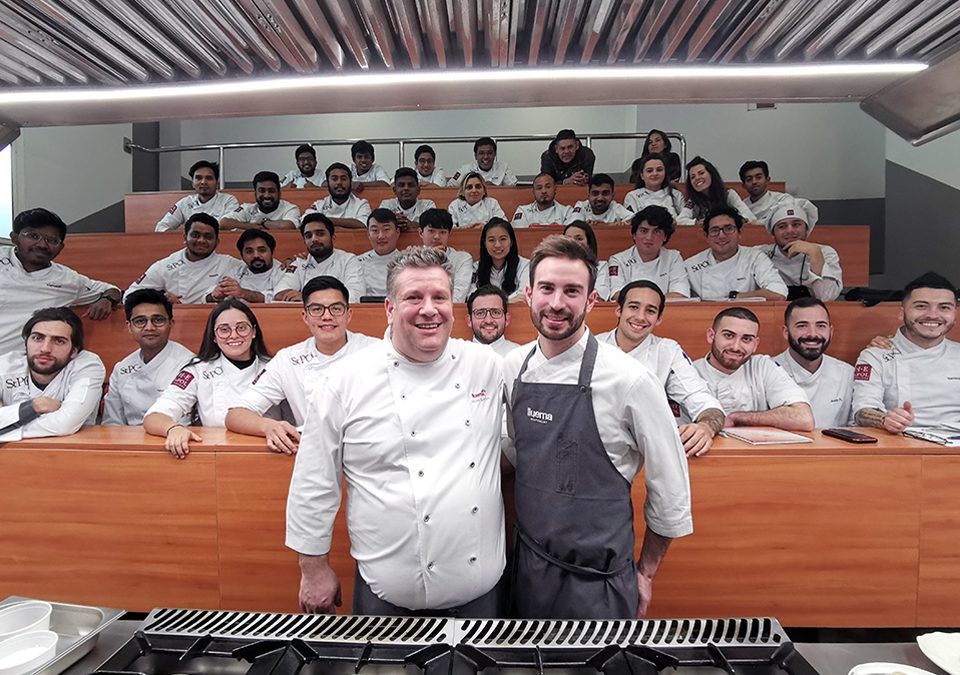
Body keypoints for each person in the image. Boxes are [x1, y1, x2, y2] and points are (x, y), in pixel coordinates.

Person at [287, 247, 506, 617]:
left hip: (479, 593)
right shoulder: (344, 380)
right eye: (413, 298)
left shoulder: (487, 366)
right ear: (389, 308)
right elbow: (314, 480)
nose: (429, 309)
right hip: (385, 593)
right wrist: (312, 568)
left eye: (440, 297)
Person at [503, 235, 692, 619]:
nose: (557, 303)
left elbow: (670, 490)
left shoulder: (631, 380)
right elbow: (515, 454)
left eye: (572, 291)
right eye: (547, 289)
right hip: (526, 570)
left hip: (598, 584)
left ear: (591, 299)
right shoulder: (513, 368)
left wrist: (647, 572)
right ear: (528, 294)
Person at [226, 276, 378, 453]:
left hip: (371, 452)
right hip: (314, 452)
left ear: (348, 315)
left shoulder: (375, 351)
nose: (327, 316)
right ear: (305, 317)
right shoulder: (288, 360)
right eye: (317, 309)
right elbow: (235, 414)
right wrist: (267, 426)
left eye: (336, 309)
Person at [597, 280, 724, 457]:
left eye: (650, 311)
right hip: (596, 446)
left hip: (646, 450)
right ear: (619, 310)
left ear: (658, 319)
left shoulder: (667, 351)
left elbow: (699, 397)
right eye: (633, 307)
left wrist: (706, 426)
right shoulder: (592, 347)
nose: (640, 317)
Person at [144, 299, 274, 458]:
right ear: (213, 336)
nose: (233, 335)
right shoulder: (197, 371)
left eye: (241, 328)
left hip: (268, 452)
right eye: (224, 329)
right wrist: (172, 428)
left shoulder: (276, 367)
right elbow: (154, 416)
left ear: (254, 331)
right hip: (216, 454)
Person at [0, 208, 120, 355]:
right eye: (33, 236)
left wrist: (107, 299)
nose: (42, 244)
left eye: (52, 240)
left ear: (61, 248)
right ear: (14, 238)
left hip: (20, 367)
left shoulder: (68, 280)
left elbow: (112, 290)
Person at [852, 272, 960, 433]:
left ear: (954, 315)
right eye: (921, 306)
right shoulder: (876, 356)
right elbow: (862, 411)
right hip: (901, 443)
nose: (932, 315)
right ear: (902, 312)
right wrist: (885, 419)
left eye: (944, 307)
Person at [693, 307, 814, 431]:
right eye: (728, 335)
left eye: (746, 339)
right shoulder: (690, 372)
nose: (736, 347)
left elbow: (804, 419)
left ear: (755, 344)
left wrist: (738, 418)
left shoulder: (763, 366)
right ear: (711, 336)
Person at [0, 307, 105, 441]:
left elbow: (65, 424)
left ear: (74, 351)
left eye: (59, 341)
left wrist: (5, 424)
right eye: (38, 338)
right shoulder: (5, 365)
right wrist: (33, 407)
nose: (45, 349)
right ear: (26, 343)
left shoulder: (88, 365)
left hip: (69, 453)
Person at [102, 290, 195, 426]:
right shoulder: (121, 368)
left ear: (171, 324)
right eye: (140, 321)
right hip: (128, 442)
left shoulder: (189, 364)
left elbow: (187, 422)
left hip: (173, 439)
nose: (149, 327)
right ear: (129, 326)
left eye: (158, 320)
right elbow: (112, 422)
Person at [126, 213, 243, 305]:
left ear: (217, 242)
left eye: (208, 237)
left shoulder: (229, 263)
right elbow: (129, 295)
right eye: (195, 235)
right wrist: (160, 298)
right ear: (185, 237)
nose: (201, 240)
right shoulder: (166, 265)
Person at [774, 297, 853, 428]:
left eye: (821, 326)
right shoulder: (768, 370)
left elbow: (857, 429)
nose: (812, 334)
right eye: (802, 326)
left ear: (831, 332)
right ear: (786, 332)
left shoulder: (846, 374)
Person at [684, 206, 788, 301]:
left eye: (728, 229)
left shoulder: (754, 258)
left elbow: (778, 293)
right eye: (714, 230)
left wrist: (735, 297)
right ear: (706, 236)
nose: (721, 236)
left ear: (740, 232)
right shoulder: (690, 265)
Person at [272, 213, 364, 303]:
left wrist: (307, 297)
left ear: (333, 237)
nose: (314, 239)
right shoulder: (300, 263)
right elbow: (279, 293)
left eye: (320, 234)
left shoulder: (348, 260)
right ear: (304, 241)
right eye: (308, 236)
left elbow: (356, 295)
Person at [760, 198, 840, 301]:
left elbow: (827, 297)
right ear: (773, 234)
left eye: (796, 224)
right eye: (782, 226)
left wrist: (815, 254)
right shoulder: (761, 254)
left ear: (807, 229)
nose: (790, 230)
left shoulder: (825, 253)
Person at [607, 206, 690, 299]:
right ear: (634, 234)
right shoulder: (618, 260)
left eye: (657, 232)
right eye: (644, 231)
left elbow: (680, 293)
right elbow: (617, 294)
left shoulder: (674, 257)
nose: (649, 237)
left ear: (665, 236)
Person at [155, 160, 239, 232]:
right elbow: (161, 227)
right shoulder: (185, 202)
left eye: (209, 178)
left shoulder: (228, 201)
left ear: (217, 183)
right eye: (198, 178)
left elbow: (231, 229)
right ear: (192, 183)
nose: (203, 182)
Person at [210, 229, 287, 303]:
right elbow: (210, 294)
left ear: (272, 251)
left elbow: (279, 298)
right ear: (242, 255)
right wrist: (216, 295)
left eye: (262, 250)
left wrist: (244, 293)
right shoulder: (237, 271)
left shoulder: (283, 271)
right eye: (249, 251)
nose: (256, 255)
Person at [678, 156, 757, 226]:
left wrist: (732, 221)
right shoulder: (692, 201)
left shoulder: (728, 194)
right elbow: (680, 220)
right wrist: (696, 223)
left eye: (701, 173)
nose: (697, 178)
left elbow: (750, 217)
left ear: (711, 174)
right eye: (693, 177)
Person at [739, 160, 820, 227]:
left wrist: (755, 223)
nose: (754, 182)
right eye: (749, 179)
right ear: (743, 185)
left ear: (767, 180)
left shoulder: (783, 199)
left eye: (758, 177)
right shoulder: (741, 206)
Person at [419, 208, 474, 302]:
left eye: (442, 232)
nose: (437, 237)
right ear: (421, 233)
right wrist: (429, 258)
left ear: (449, 234)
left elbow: (458, 297)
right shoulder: (409, 259)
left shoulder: (463, 259)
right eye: (431, 231)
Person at [469, 217, 529, 301]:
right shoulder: (475, 268)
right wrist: (508, 301)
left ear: (511, 241)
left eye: (503, 239)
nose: (497, 245)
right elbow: (472, 297)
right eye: (491, 240)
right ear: (484, 243)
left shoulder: (524, 265)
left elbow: (523, 295)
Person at [220, 170, 300, 230]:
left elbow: (288, 226)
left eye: (271, 191)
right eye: (262, 191)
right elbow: (223, 223)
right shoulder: (247, 208)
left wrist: (263, 222)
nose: (266, 195)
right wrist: (251, 226)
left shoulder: (290, 208)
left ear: (279, 193)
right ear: (255, 193)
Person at [304, 163, 371, 229]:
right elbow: (305, 220)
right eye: (334, 179)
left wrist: (325, 220)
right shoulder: (319, 205)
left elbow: (364, 223)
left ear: (350, 182)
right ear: (328, 183)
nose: (339, 182)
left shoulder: (361, 204)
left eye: (344, 179)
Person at [623, 154, 686, 219]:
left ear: (665, 173)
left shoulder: (676, 195)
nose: (655, 174)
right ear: (642, 176)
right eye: (649, 171)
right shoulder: (632, 196)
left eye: (659, 170)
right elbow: (631, 222)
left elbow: (684, 220)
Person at [357, 209, 401, 297]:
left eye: (386, 229)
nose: (381, 236)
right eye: (375, 230)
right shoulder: (357, 262)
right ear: (368, 234)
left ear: (397, 233)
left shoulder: (407, 262)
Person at [466, 285, 519, 357]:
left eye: (495, 312)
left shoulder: (520, 357)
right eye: (480, 313)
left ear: (507, 319)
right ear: (469, 320)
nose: (488, 321)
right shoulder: (458, 358)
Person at [563, 220, 611, 300]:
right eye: (568, 239)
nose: (573, 242)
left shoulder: (600, 266)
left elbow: (602, 293)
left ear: (589, 242)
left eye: (579, 238)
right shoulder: (555, 266)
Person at [448, 136, 518, 186]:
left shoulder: (503, 168)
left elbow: (513, 189)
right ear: (475, 156)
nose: (486, 157)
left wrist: (495, 189)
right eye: (481, 153)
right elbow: (450, 186)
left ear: (495, 155)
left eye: (489, 153)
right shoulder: (465, 169)